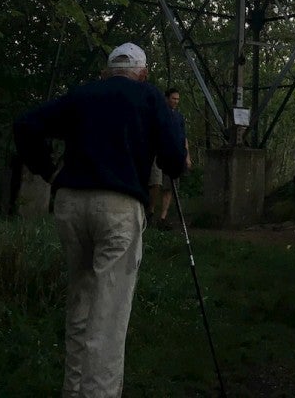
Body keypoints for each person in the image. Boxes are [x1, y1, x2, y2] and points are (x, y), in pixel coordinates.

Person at [13, 42, 186, 398]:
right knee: (108, 317)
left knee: (81, 302)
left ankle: (73, 391)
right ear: (143, 73)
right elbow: (172, 158)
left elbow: (25, 124)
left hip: (71, 204)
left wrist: (49, 171)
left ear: (107, 72)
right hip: (118, 208)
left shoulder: (83, 94)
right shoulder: (149, 96)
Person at [147, 87, 191, 230]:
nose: (176, 101)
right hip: (158, 153)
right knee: (156, 183)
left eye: (178, 99)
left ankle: (163, 218)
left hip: (175, 154)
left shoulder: (179, 117)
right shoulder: (158, 113)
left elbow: (184, 137)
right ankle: (150, 212)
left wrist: (187, 156)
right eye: (173, 98)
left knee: (170, 187)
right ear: (167, 98)